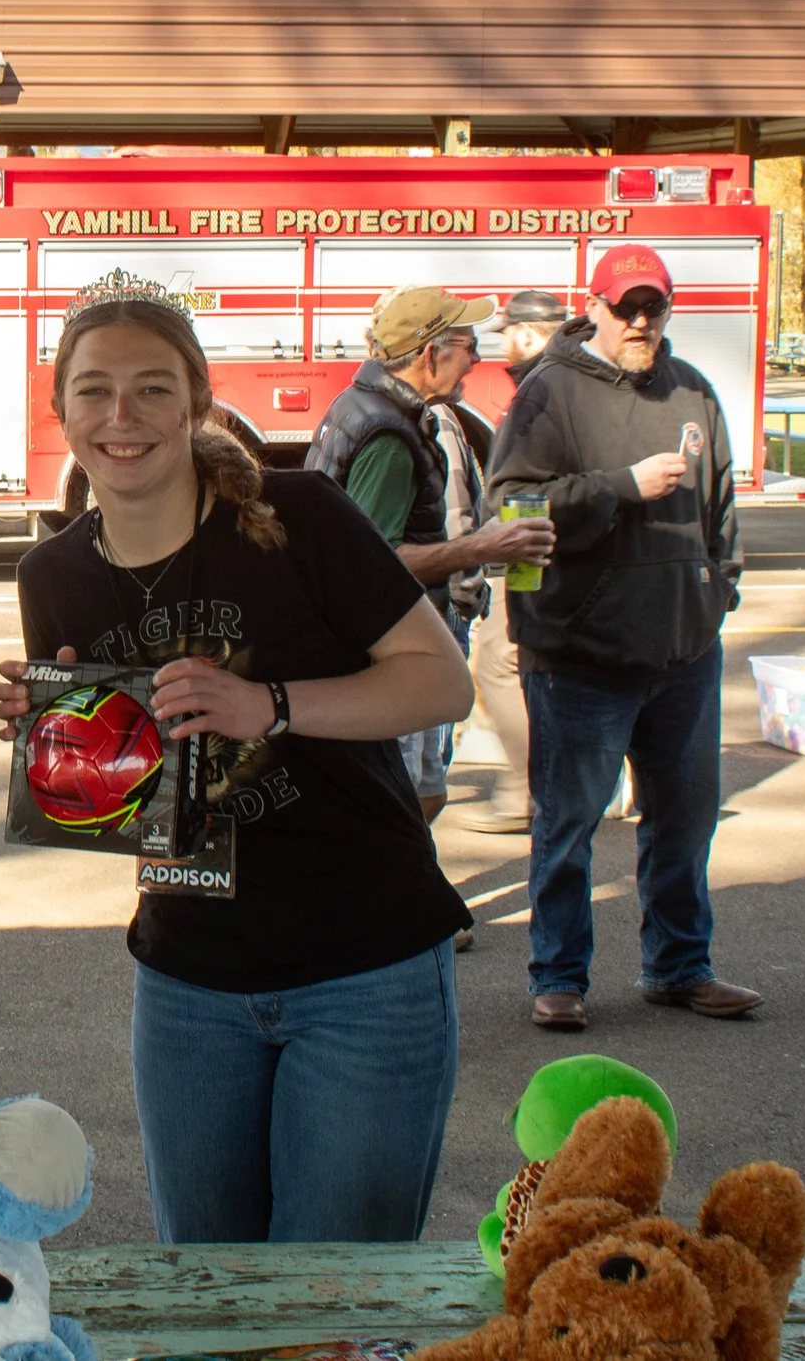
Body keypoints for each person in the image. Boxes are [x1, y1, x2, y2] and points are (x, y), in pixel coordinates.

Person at [0, 279, 474, 1245]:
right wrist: (59, 745)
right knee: (205, 1290)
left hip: (364, 966)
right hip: (188, 978)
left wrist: (271, 705)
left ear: (199, 400)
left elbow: (441, 683)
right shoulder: (53, 574)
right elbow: (132, 796)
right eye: (93, 391)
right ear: (60, 411)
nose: (120, 417)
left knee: (331, 1299)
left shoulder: (299, 515)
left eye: (152, 389)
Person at [484, 244, 757, 1034]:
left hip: (683, 654)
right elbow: (512, 507)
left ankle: (679, 966)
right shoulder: (548, 395)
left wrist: (716, 593)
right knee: (566, 825)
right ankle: (559, 976)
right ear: (595, 306)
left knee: (683, 820)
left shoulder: (693, 392)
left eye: (653, 307)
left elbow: (722, 510)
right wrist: (619, 485)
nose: (640, 322)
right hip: (579, 657)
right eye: (625, 307)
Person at [306, 287, 555, 825]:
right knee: (405, 801)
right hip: (394, 653)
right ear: (428, 354)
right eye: (467, 344)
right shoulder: (388, 435)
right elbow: (376, 567)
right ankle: (393, 903)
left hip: (377, 650)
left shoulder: (365, 406)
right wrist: (485, 547)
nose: (478, 358)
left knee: (420, 795)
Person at [453, 290, 570, 835]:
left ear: (528, 333)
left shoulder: (543, 388)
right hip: (553, 553)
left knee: (497, 663)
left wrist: (503, 561)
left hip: (534, 554)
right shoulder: (576, 377)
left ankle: (530, 792)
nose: (495, 347)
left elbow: (528, 490)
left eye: (504, 334)